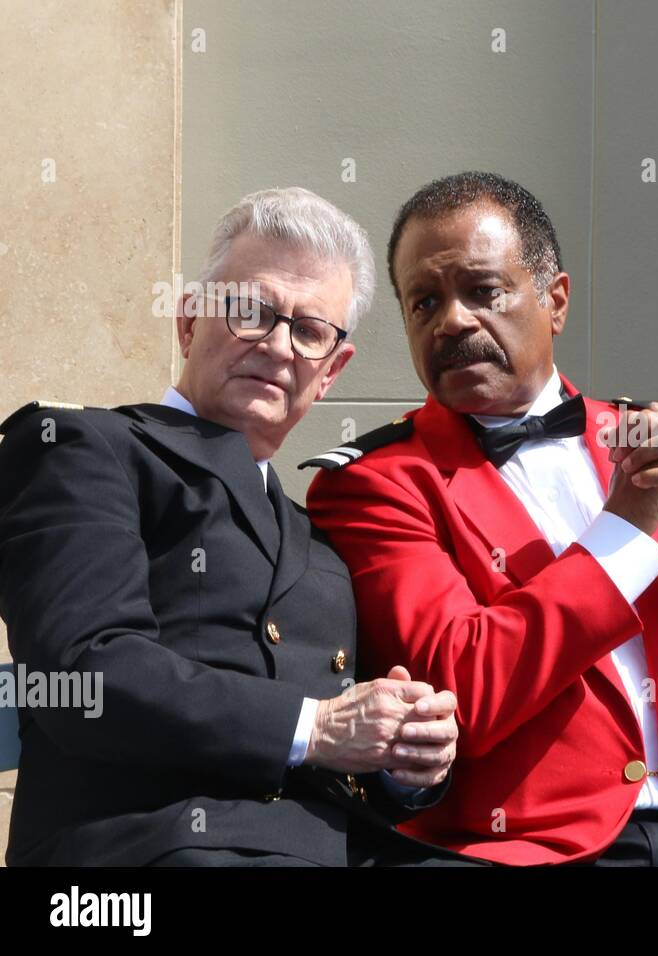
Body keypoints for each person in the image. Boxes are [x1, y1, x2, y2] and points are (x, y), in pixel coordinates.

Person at [304, 171, 658, 866]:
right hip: (530, 852)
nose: (453, 322)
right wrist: (623, 533)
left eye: (483, 291)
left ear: (555, 300)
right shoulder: (376, 482)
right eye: (424, 303)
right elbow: (462, 695)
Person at [0, 187, 478, 867]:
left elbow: (354, 743)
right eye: (251, 311)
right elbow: (87, 671)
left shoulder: (317, 539)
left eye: (310, 330)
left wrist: (406, 756)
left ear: (332, 372)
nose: (279, 345)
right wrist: (314, 727)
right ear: (190, 321)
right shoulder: (86, 448)